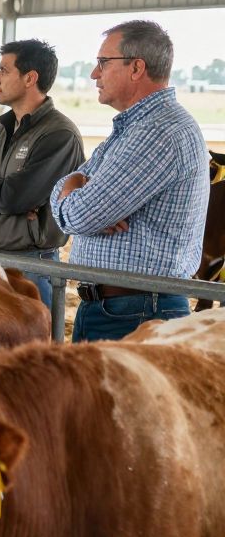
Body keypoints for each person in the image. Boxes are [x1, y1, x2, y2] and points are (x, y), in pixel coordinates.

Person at [51, 20, 208, 342]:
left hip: (134, 311)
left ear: (136, 67)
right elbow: (70, 191)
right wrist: (75, 186)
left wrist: (81, 196)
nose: (94, 74)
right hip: (123, 307)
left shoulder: (157, 132)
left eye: (103, 63)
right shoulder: (136, 127)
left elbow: (77, 216)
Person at [0, 39, 85, 308]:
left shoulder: (58, 134)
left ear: (30, 78)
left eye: (3, 70)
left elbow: (14, 198)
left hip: (29, 268)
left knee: (27, 351)